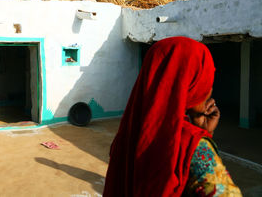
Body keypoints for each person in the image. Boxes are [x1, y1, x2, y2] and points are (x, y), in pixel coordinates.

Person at [103, 37, 242, 197]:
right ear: (189, 82)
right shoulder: (195, 146)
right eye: (205, 80)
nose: (209, 89)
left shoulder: (127, 134)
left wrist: (199, 130)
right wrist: (197, 138)